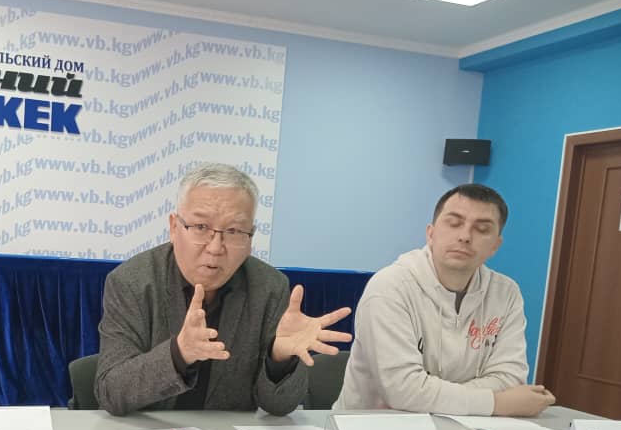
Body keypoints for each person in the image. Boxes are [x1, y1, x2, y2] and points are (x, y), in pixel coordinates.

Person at [95, 162, 353, 416]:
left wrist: (279, 360)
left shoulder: (270, 288)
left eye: (233, 231)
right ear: (174, 228)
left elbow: (279, 407)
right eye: (201, 227)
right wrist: (179, 353)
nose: (216, 247)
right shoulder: (131, 282)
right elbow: (110, 392)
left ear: (250, 239)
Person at [334, 183, 555, 416]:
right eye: (454, 223)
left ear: (495, 246)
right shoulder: (390, 287)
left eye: (482, 229)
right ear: (431, 233)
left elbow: (510, 378)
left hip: (468, 429)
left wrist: (433, 396)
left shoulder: (506, 293)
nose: (465, 236)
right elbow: (402, 390)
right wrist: (497, 403)